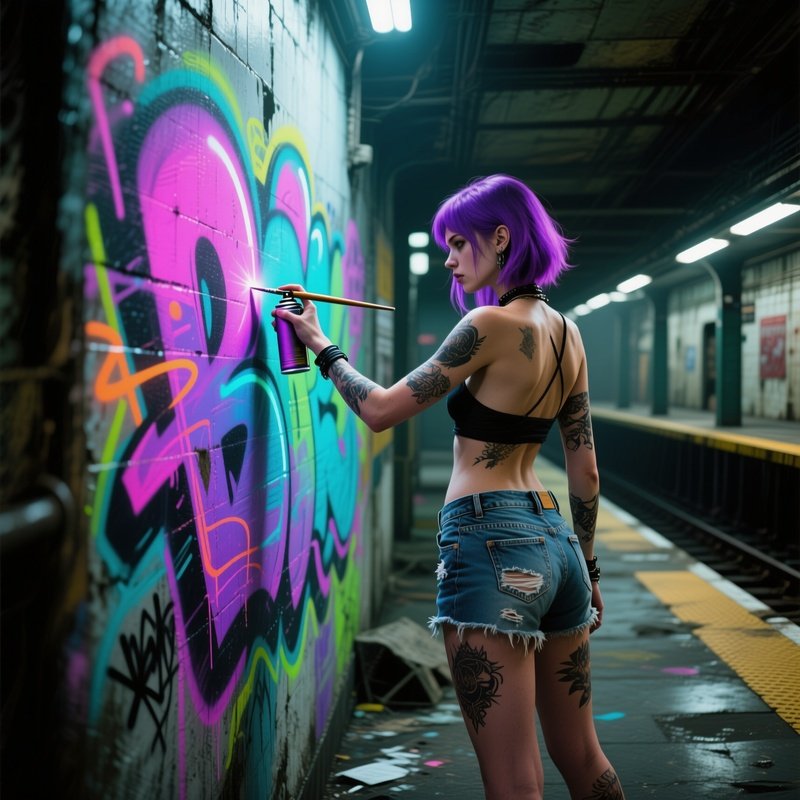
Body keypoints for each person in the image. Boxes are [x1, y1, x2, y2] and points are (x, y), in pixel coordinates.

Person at [273, 174, 624, 800]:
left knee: (514, 782)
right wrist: (591, 570)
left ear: (501, 238)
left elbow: (381, 409)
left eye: (460, 243)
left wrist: (321, 346)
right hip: (558, 546)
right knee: (584, 755)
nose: (449, 258)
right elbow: (586, 470)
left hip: (490, 546)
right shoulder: (569, 335)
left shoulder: (488, 323)